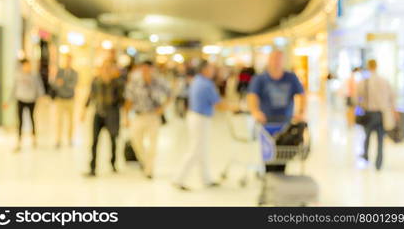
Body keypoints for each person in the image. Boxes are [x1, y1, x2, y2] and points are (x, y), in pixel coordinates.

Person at [174, 60, 236, 190]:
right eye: (211, 68)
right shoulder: (206, 84)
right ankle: (179, 178)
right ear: (204, 70)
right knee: (195, 150)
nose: (213, 71)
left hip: (194, 116)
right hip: (200, 119)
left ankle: (206, 179)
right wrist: (235, 107)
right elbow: (218, 104)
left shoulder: (196, 80)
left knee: (202, 150)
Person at [247, 50, 306, 172]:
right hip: (267, 122)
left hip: (286, 121)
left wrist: (301, 112)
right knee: (269, 154)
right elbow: (252, 96)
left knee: (283, 153)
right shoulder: (260, 78)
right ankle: (270, 176)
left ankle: (280, 175)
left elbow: (301, 94)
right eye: (274, 59)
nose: (276, 63)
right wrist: (255, 112)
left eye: (279, 60)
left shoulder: (291, 77)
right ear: (269, 61)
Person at [125, 60, 171, 179]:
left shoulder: (159, 82)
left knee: (153, 144)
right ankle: (144, 161)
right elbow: (129, 99)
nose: (145, 71)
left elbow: (170, 94)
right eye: (143, 69)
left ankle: (149, 170)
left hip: (153, 116)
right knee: (136, 142)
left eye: (148, 68)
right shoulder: (135, 82)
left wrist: (163, 108)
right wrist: (125, 116)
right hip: (139, 115)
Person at [82, 60, 125, 177]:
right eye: (104, 68)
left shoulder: (117, 83)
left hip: (112, 114)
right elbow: (90, 96)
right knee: (94, 141)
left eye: (108, 68)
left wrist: (125, 116)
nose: (106, 70)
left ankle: (113, 163)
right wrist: (84, 110)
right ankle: (92, 167)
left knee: (113, 140)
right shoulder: (96, 81)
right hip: (99, 114)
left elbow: (122, 101)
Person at [357, 59, 398, 171]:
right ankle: (378, 163)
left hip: (369, 113)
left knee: (367, 137)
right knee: (380, 139)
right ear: (377, 66)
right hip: (382, 114)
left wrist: (360, 105)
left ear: (368, 66)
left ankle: (366, 156)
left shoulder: (364, 81)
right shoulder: (384, 80)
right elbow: (392, 96)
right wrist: (393, 110)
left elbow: (357, 97)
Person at [3, 59, 44, 151]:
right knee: (20, 121)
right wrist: (8, 102)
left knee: (32, 119)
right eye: (25, 65)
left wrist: (41, 97)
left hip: (31, 100)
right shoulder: (18, 76)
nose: (27, 67)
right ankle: (19, 140)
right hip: (21, 100)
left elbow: (39, 87)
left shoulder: (34, 76)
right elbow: (13, 90)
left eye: (28, 65)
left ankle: (34, 138)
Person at [54, 54, 78, 148]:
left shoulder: (75, 73)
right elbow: (56, 84)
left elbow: (73, 85)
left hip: (70, 99)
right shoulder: (60, 71)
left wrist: (63, 82)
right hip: (60, 99)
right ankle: (58, 139)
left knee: (71, 121)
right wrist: (61, 83)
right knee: (59, 120)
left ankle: (70, 138)